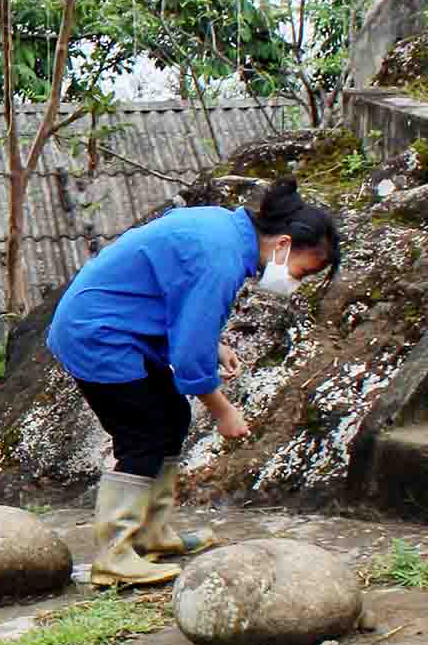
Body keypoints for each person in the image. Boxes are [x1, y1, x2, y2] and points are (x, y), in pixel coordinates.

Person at [47, 177, 342, 587]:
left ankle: (150, 534)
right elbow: (187, 358)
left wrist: (215, 344)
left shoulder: (222, 229)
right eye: (302, 271)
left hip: (115, 327)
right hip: (98, 335)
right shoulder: (220, 258)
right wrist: (224, 411)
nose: (296, 282)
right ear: (283, 244)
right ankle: (113, 556)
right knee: (144, 433)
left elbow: (178, 299)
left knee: (171, 415)